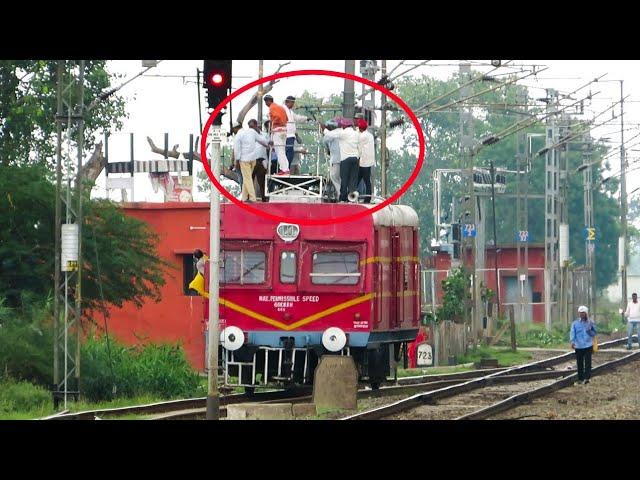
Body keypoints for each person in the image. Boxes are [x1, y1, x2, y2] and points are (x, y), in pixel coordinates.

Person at [321, 118, 361, 202]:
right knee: (352, 179)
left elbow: (328, 136)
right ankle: (352, 198)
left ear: (345, 126)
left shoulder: (342, 133)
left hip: (345, 159)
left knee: (343, 179)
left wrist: (324, 130)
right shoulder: (356, 133)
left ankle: (343, 197)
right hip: (355, 158)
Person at [232, 120, 269, 202]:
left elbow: (237, 150)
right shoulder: (251, 132)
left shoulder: (238, 136)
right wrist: (268, 143)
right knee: (246, 179)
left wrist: (236, 161)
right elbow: (261, 140)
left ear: (235, 129)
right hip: (253, 159)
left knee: (247, 179)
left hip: (244, 160)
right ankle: (244, 198)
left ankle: (252, 198)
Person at [283, 95, 313, 168]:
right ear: (287, 102)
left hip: (291, 135)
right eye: (292, 102)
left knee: (290, 152)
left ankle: (286, 168)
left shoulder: (290, 111)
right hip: (286, 134)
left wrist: (306, 118)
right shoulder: (282, 109)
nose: (293, 104)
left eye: (293, 102)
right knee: (288, 152)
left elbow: (297, 117)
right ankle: (285, 168)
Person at [570, 305, 597, 385]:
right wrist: (572, 342)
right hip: (578, 346)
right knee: (579, 363)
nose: (581, 315)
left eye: (583, 313)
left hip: (588, 345)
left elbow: (594, 333)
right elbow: (572, 333)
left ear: (586, 314)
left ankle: (587, 378)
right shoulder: (575, 323)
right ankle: (580, 379)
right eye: (580, 313)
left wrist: (589, 330)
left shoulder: (591, 323)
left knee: (588, 363)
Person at [263, 95, 289, 174]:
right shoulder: (281, 107)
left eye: (265, 102)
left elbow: (277, 117)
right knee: (282, 151)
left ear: (268, 101)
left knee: (279, 151)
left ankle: (284, 170)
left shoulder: (272, 107)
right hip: (284, 130)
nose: (265, 104)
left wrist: (272, 122)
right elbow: (287, 119)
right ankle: (285, 169)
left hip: (277, 130)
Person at [322, 119, 341, 199]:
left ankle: (340, 194)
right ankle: (341, 193)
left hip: (335, 159)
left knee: (333, 176)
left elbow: (324, 141)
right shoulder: (340, 132)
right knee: (340, 177)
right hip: (342, 158)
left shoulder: (330, 135)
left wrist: (324, 130)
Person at [357, 118, 375, 204]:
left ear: (360, 128)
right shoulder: (370, 135)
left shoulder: (362, 136)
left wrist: (357, 157)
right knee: (363, 179)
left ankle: (367, 198)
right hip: (369, 161)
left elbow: (359, 149)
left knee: (365, 180)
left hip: (363, 161)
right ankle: (367, 197)